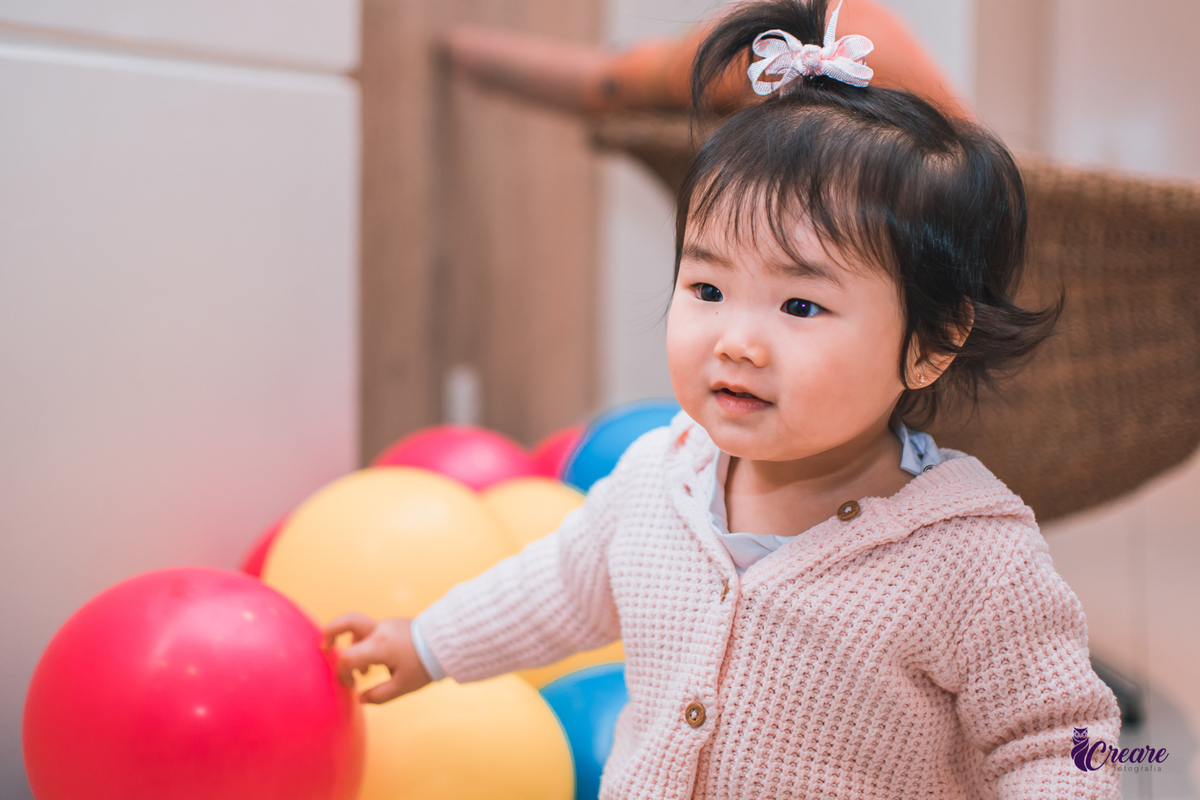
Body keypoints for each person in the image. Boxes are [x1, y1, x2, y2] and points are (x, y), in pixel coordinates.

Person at [326, 1, 1122, 796]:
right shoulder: (659, 479)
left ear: (928, 346)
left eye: (800, 306)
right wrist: (427, 643)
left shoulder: (972, 557)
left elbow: (1062, 738)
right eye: (707, 286)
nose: (736, 340)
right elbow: (558, 586)